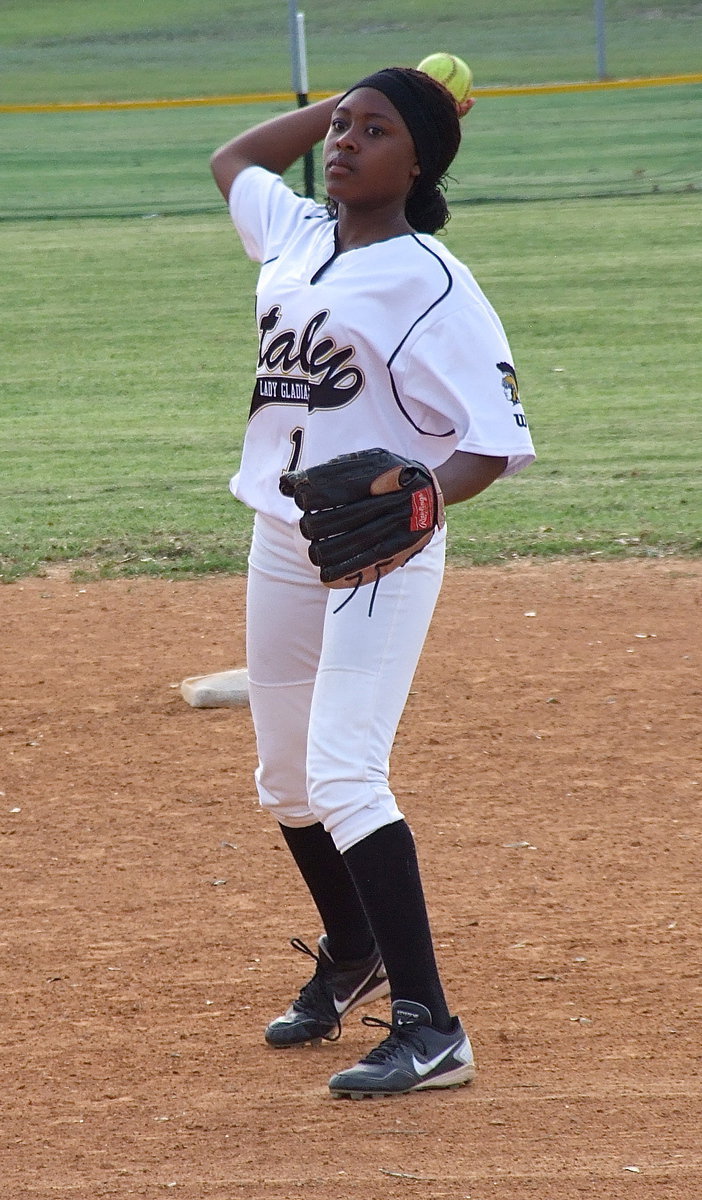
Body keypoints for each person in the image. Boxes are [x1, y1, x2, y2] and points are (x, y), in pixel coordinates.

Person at [210, 66, 535, 1099]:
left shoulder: (432, 280)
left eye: (374, 131)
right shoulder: (299, 232)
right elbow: (236, 160)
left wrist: (420, 503)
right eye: (340, 127)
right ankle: (353, 953)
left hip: (380, 548)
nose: (343, 143)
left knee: (346, 773)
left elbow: (495, 443)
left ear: (421, 161)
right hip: (282, 531)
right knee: (286, 781)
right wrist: (362, 93)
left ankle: (433, 1028)